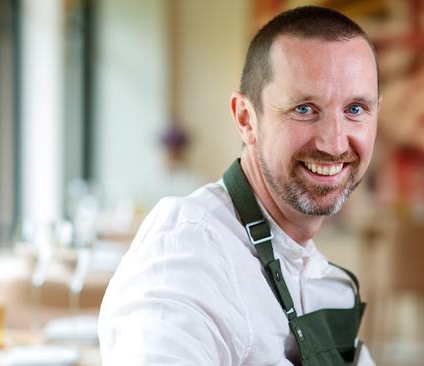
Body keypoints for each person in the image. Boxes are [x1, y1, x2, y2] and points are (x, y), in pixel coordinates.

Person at [98, 6, 380, 365]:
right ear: (246, 119)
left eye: (355, 109)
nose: (335, 142)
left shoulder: (325, 279)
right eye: (305, 109)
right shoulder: (187, 252)